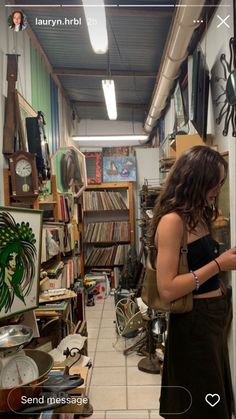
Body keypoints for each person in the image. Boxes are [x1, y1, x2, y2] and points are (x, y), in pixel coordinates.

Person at [148, 145, 236, 418]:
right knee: (200, 405)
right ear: (196, 180)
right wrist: (219, 264)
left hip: (211, 322)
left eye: (220, 183)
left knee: (211, 398)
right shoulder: (173, 222)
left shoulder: (199, 216)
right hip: (193, 324)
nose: (217, 189)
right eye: (214, 182)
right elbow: (167, 287)